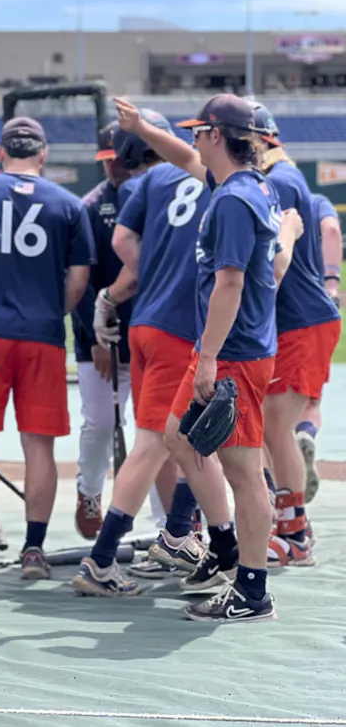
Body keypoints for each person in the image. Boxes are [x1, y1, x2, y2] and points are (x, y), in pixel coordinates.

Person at [154, 94, 296, 621]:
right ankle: (225, 543)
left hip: (232, 352)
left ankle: (252, 591)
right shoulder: (247, 186)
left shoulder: (236, 198)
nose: (193, 138)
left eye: (198, 130)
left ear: (217, 134)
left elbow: (230, 282)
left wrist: (210, 357)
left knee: (243, 472)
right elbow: (191, 163)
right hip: (229, 346)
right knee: (176, 434)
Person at [0, 116, 94, 581]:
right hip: (42, 336)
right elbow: (79, 280)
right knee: (38, 446)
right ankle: (33, 551)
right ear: (42, 154)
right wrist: (51, 311)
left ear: (2, 153)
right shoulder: (67, 203)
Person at [71, 110, 219, 596]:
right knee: (161, 441)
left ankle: (178, 531)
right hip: (183, 324)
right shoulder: (221, 180)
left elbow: (123, 245)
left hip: (147, 321)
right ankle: (103, 559)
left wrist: (123, 290)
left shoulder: (144, 187)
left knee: (176, 437)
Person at [249, 105, 340, 567]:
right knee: (269, 426)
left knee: (273, 426)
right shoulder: (284, 176)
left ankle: (294, 531)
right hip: (299, 318)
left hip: (302, 320)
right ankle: (287, 522)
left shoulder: (278, 181)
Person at [71, 120, 139, 540]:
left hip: (150, 335)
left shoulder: (154, 199)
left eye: (121, 157)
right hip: (99, 338)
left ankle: (172, 523)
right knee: (99, 423)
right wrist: (95, 340)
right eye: (108, 159)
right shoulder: (90, 207)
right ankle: (89, 491)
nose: (114, 166)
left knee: (156, 435)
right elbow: (81, 285)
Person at [295, 193, 342, 503]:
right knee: (311, 401)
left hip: (274, 313)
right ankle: (306, 433)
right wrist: (332, 281)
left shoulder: (260, 195)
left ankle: (277, 490)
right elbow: (332, 230)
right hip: (317, 313)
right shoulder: (315, 201)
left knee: (270, 410)